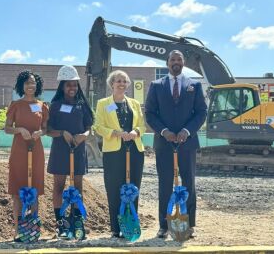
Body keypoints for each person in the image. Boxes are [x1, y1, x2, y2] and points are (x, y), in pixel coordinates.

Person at [144, 50, 207, 239]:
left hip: (187, 143)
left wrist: (187, 131)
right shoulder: (156, 86)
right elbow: (150, 113)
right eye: (173, 59)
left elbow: (201, 112)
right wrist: (164, 132)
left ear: (184, 62)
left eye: (179, 59)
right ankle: (164, 225)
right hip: (164, 144)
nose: (176, 62)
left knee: (188, 183)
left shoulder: (194, 85)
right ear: (167, 63)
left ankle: (188, 224)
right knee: (165, 184)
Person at [93, 70, 146, 238]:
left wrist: (135, 132)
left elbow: (142, 126)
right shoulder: (103, 103)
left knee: (133, 188)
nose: (121, 84)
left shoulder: (135, 104)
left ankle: (130, 225)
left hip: (135, 150)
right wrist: (115, 133)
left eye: (124, 81)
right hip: (114, 151)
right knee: (114, 188)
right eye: (118, 81)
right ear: (112, 84)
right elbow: (98, 126)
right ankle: (116, 227)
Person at [46, 65, 94, 238]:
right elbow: (48, 130)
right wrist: (62, 133)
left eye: (74, 85)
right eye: (68, 85)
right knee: (58, 187)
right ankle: (61, 224)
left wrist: (84, 136)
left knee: (78, 187)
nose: (72, 88)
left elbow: (89, 128)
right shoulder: (55, 105)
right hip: (60, 150)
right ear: (62, 87)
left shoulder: (83, 105)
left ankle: (76, 221)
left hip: (78, 150)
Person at [4, 70, 49, 241]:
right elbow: (7, 128)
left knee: (34, 190)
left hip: (36, 149)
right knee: (17, 190)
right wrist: (20, 129)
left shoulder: (42, 105)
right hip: (19, 150)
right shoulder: (15, 105)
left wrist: (40, 133)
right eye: (27, 83)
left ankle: (33, 228)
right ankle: (17, 229)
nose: (31, 86)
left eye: (33, 83)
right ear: (21, 85)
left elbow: (45, 128)